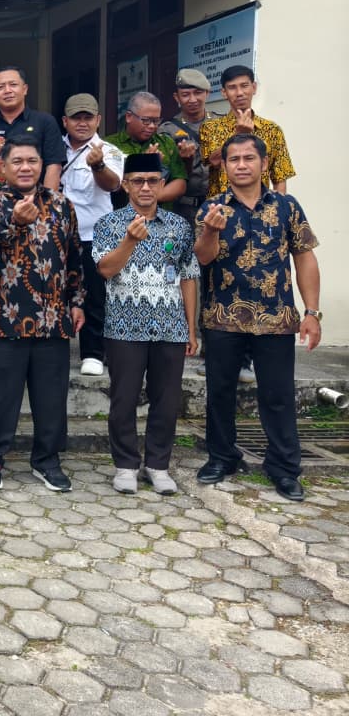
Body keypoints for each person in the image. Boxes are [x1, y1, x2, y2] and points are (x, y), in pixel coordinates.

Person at [194, 134, 321, 502]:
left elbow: (305, 258)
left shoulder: (286, 206)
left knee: (278, 395)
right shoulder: (213, 207)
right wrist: (210, 231)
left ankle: (283, 468)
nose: (242, 165)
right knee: (219, 392)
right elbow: (203, 258)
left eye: (249, 158)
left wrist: (311, 312)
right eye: (234, 159)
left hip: (276, 319)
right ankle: (222, 457)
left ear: (265, 164)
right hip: (222, 318)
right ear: (225, 165)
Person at [0, 137, 85, 493]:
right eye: (17, 161)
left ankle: (47, 461)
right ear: (3, 167)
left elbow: (74, 257)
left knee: (51, 400)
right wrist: (16, 222)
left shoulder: (62, 205)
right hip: (5, 320)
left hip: (53, 320)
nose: (25, 167)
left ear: (42, 166)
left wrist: (77, 299)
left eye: (32, 161)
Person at [94, 153, 199, 496]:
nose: (145, 188)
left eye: (153, 181)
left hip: (170, 326)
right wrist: (130, 240)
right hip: (125, 326)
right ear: (125, 185)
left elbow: (189, 276)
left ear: (162, 185)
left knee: (167, 399)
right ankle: (125, 465)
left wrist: (191, 328)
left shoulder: (179, 226)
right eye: (138, 181)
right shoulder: (109, 224)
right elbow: (106, 270)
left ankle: (158, 465)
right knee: (123, 398)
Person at [60, 93, 124, 377]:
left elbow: (113, 184)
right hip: (58, 235)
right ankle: (55, 348)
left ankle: (93, 353)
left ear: (98, 119)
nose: (82, 123)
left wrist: (97, 164)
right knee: (56, 292)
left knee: (95, 296)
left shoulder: (109, 150)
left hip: (95, 234)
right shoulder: (52, 148)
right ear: (65, 121)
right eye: (76, 117)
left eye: (88, 117)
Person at [199, 65, 296, 198]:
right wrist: (238, 134)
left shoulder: (272, 130)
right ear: (224, 93)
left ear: (254, 88)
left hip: (261, 210)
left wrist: (278, 211)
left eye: (244, 85)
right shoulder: (211, 128)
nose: (239, 92)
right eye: (232, 87)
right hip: (222, 210)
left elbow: (280, 177)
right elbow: (213, 161)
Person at [0, 67, 66, 191]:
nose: (7, 90)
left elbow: (54, 166)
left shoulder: (45, 121)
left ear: (25, 89)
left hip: (34, 201)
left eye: (13, 85)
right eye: (0, 87)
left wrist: (47, 203)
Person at [105, 91, 187, 209]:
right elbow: (110, 185)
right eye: (146, 120)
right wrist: (143, 163)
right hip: (123, 219)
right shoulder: (109, 145)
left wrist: (151, 197)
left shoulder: (166, 143)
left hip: (161, 220)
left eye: (156, 121)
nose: (152, 126)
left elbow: (180, 182)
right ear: (129, 117)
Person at [159, 68, 212, 224]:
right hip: (184, 209)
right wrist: (184, 162)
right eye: (186, 95)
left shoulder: (220, 124)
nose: (192, 99)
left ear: (207, 93)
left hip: (219, 205)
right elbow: (165, 176)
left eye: (198, 93)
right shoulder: (167, 130)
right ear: (177, 97)